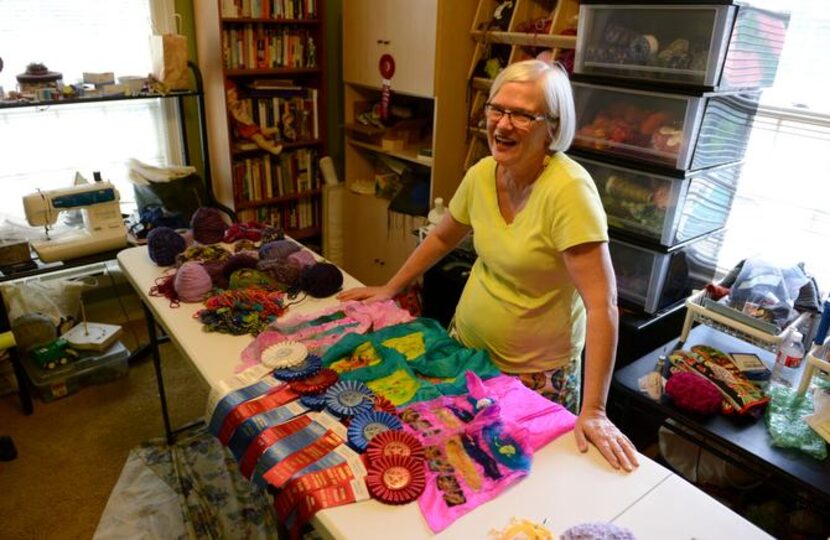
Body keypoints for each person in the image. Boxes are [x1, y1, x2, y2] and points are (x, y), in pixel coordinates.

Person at [339, 59, 639, 472]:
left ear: (552, 126)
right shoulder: (483, 174)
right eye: (496, 109)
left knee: (514, 479)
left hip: (534, 377)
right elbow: (444, 236)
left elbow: (602, 305)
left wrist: (596, 410)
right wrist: (391, 287)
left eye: (521, 114)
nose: (502, 124)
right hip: (465, 351)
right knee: (453, 464)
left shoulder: (569, 192)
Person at [225, 80, 283, 155]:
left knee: (260, 131)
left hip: (248, 126)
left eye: (234, 92)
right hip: (243, 129)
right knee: (258, 137)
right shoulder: (229, 109)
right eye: (230, 94)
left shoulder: (236, 104)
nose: (234, 95)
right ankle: (272, 149)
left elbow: (242, 115)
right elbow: (237, 118)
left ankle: (275, 131)